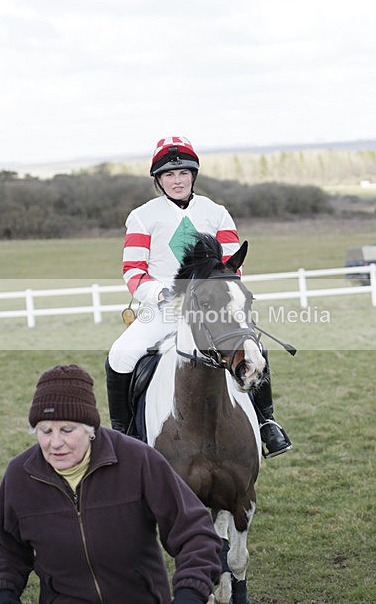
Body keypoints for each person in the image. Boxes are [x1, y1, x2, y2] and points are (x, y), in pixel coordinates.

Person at [0, 364, 223, 604]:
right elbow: (8, 547)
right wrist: (6, 593)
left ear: (91, 429)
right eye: (44, 430)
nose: (55, 442)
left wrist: (190, 589)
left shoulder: (138, 460)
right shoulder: (21, 476)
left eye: (67, 429)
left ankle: (266, 419)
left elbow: (195, 530)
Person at [106, 135, 291, 457]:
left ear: (193, 175)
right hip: (164, 305)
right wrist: (161, 293)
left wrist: (219, 296)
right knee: (120, 356)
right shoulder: (142, 216)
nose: (177, 180)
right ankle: (124, 436)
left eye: (183, 173)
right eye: (168, 175)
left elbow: (233, 264)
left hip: (212, 305)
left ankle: (267, 423)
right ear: (158, 180)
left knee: (253, 346)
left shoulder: (216, 212)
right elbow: (133, 271)